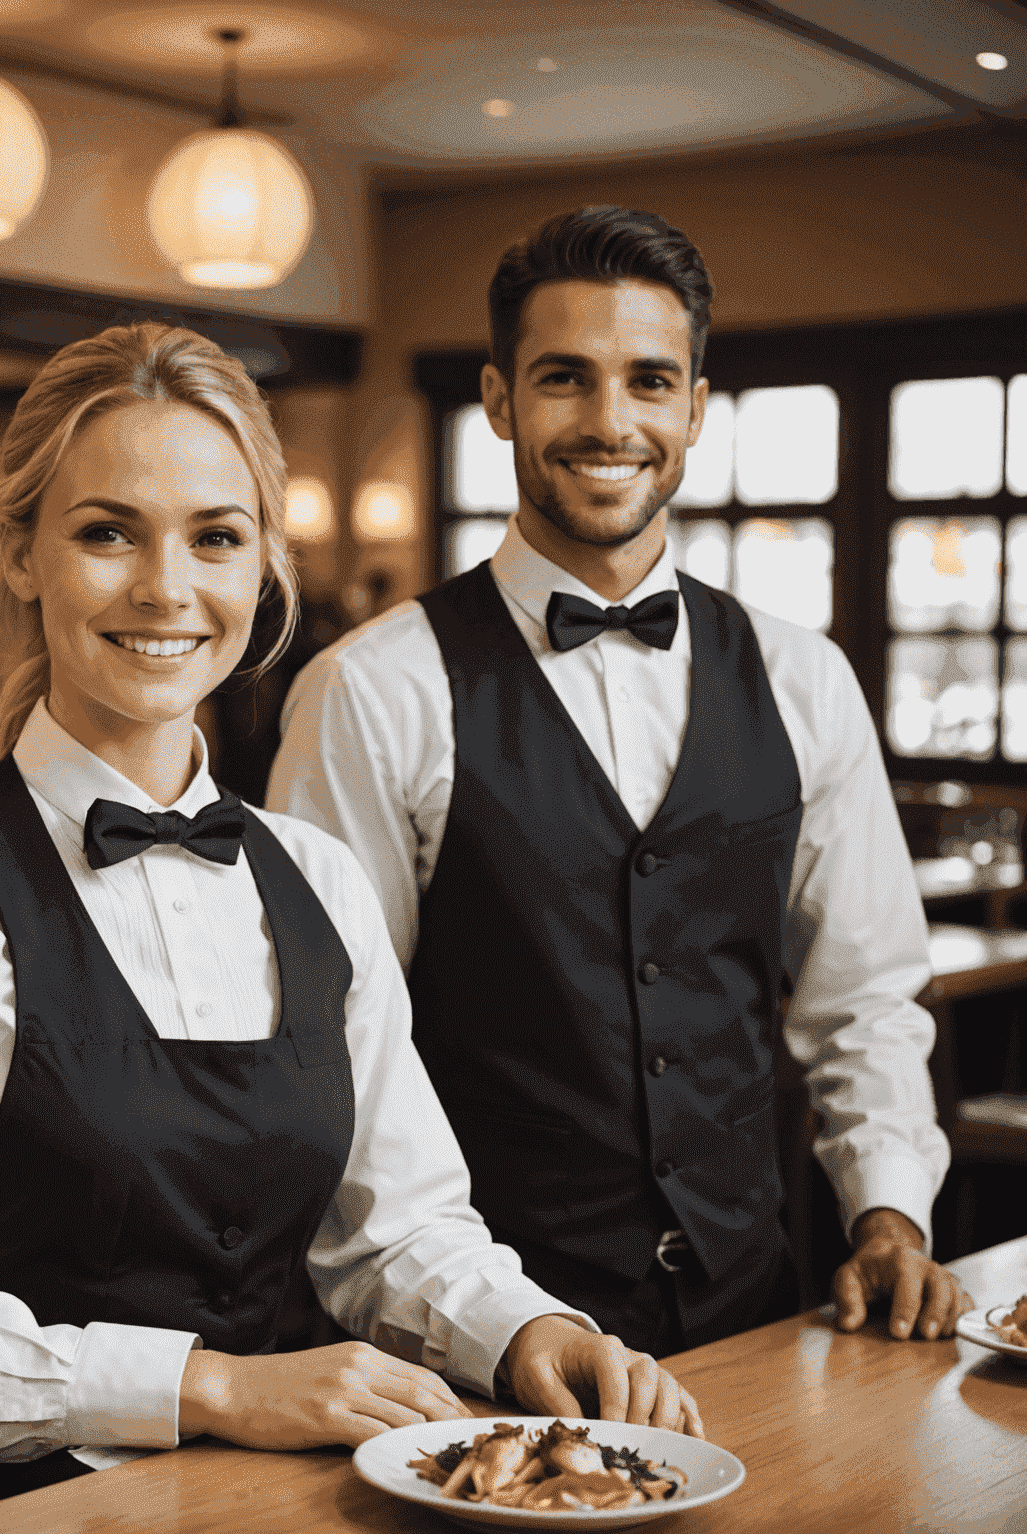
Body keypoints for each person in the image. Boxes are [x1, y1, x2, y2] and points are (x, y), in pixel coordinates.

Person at [0, 323, 700, 1534]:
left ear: (263, 572)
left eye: (215, 538)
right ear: (20, 554)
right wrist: (207, 1387)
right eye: (107, 532)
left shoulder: (321, 879)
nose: (165, 590)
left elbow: (396, 1229)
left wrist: (526, 1334)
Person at [267, 206, 969, 1358]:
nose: (610, 422)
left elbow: (865, 1002)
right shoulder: (371, 691)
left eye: (649, 380)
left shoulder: (806, 680)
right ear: (498, 400)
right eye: (564, 379)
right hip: (471, 1342)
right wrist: (474, 1317)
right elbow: (333, 1052)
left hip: (755, 1315)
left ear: (694, 406)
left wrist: (888, 1215)